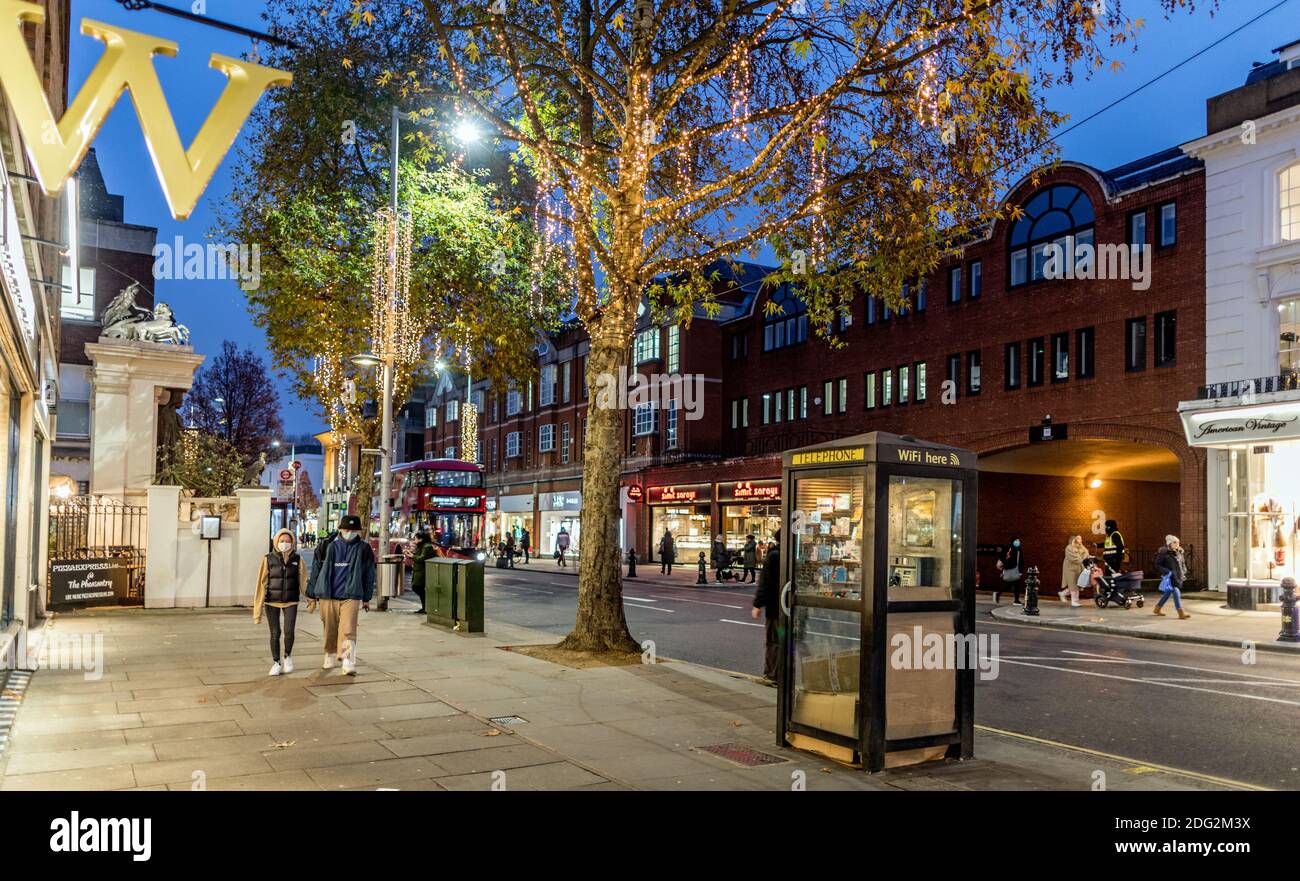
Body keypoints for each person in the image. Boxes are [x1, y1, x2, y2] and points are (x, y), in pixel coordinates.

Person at [307, 514, 375, 675]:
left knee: (348, 629)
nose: (349, 532)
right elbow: (316, 569)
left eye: (353, 530)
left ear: (358, 531)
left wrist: (366, 598)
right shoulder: (326, 545)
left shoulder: (364, 549)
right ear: (340, 529)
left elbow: (368, 573)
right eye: (346, 529)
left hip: (351, 595)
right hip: (328, 594)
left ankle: (348, 660)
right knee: (329, 628)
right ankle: (330, 653)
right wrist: (311, 593)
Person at [253, 528, 312, 676]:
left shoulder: (298, 559)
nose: (284, 543)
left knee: (289, 631)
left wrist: (310, 599)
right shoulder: (268, 559)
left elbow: (303, 581)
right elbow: (261, 584)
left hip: (291, 601)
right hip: (271, 601)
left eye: (287, 541)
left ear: (292, 542)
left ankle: (287, 656)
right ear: (276, 541)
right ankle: (276, 662)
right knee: (275, 633)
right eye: (282, 541)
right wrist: (257, 610)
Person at [751, 528, 782, 683]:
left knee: (774, 641)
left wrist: (757, 605)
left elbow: (765, 583)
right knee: (784, 641)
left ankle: (772, 675)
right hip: (789, 607)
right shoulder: (795, 555)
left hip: (776, 608)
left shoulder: (774, 555)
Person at [1153, 535, 1191, 619]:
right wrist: (1167, 571)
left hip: (1178, 576)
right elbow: (1157, 564)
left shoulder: (1180, 552)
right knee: (1176, 592)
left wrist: (1184, 571)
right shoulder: (1164, 553)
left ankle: (1157, 608)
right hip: (1169, 577)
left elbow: (1183, 564)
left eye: (1178, 542)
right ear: (1169, 543)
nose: (1177, 544)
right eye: (1174, 542)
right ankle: (1180, 613)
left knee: (1168, 593)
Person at [1058, 534, 1088, 608]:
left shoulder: (1082, 547)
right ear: (1074, 539)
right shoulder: (1069, 548)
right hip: (1070, 569)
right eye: (1079, 538)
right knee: (1073, 584)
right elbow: (1074, 558)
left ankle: (1063, 593)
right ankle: (1074, 601)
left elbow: (1086, 553)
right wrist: (1083, 559)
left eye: (1081, 538)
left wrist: (1084, 559)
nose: (1081, 540)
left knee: (1077, 584)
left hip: (1079, 568)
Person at [410, 530, 435, 615]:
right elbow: (419, 556)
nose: (415, 541)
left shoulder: (427, 546)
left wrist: (412, 556)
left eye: (416, 539)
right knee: (417, 588)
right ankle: (425, 607)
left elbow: (422, 558)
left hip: (422, 571)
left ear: (421, 539)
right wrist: (412, 555)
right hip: (419, 571)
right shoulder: (422, 546)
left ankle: (426, 607)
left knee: (417, 587)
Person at [994, 538, 1024, 605]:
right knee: (1014, 585)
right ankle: (1016, 600)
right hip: (1014, 570)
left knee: (1010, 585)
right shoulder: (1017, 549)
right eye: (1016, 540)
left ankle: (999, 594)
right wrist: (1020, 571)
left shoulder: (1010, 548)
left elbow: (1002, 557)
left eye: (1018, 541)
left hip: (1009, 570)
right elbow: (1021, 560)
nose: (1018, 542)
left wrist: (1005, 566)